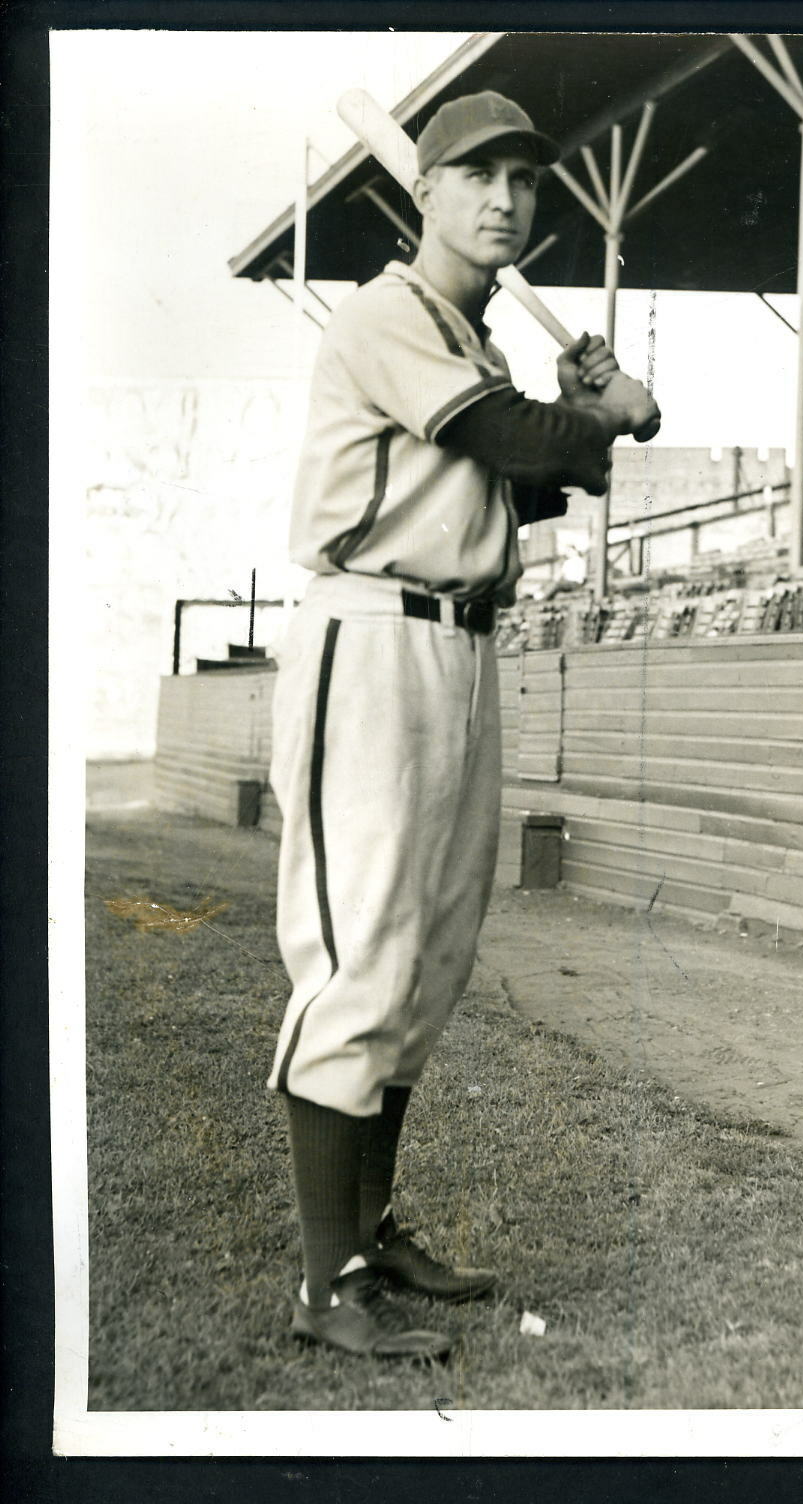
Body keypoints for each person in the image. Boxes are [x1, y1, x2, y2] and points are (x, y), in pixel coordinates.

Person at [268, 89, 660, 1358]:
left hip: (463, 644)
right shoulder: (385, 313)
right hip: (370, 640)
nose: (503, 198)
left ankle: (371, 1234)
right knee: (361, 952)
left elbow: (533, 477)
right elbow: (506, 437)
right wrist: (601, 414)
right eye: (477, 176)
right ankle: (327, 1287)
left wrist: (584, 412)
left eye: (524, 180)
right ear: (421, 191)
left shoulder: (472, 342)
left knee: (428, 957)